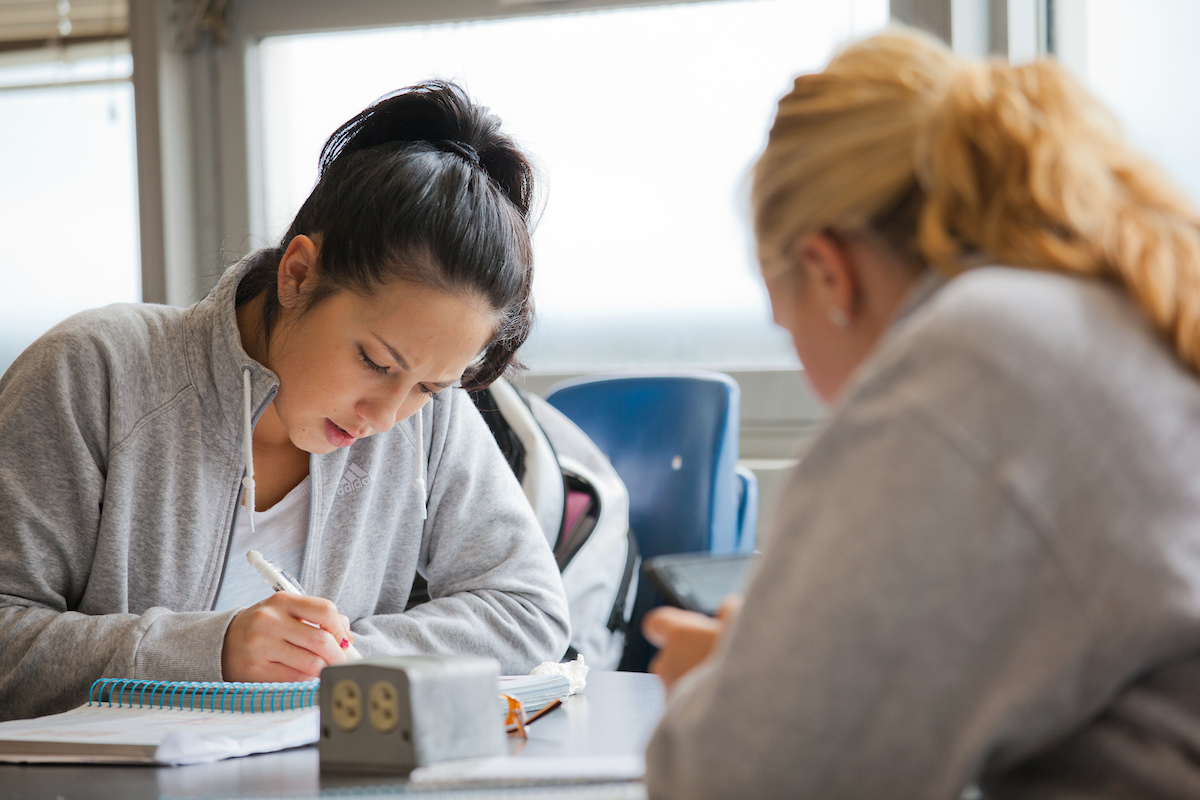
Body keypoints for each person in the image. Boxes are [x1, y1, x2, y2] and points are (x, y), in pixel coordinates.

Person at [643, 28, 1200, 799]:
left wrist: (727, 684)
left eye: (788, 327)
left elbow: (746, 779)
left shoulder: (982, 355)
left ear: (828, 273)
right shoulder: (1115, 317)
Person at [0, 82, 570, 722]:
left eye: (429, 386)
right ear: (297, 274)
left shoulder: (428, 415)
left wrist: (336, 659)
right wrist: (209, 652)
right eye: (375, 362)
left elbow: (527, 609)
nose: (384, 417)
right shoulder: (94, 371)